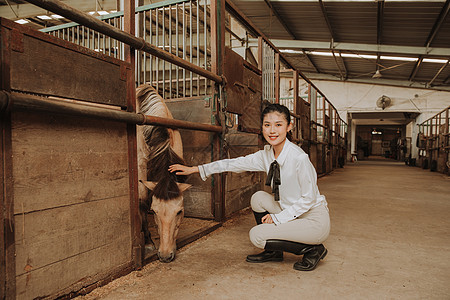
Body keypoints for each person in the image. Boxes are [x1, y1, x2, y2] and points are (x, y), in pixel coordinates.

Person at [169, 103, 330, 271]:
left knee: (257, 236)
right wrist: (196, 168)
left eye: (278, 125)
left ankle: (314, 249)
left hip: (313, 220)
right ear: (262, 127)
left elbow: (309, 198)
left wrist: (278, 218)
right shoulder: (267, 154)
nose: (272, 131)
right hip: (291, 210)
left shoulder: (299, 158)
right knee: (258, 198)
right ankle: (273, 252)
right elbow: (233, 163)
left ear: (289, 126)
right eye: (267, 125)